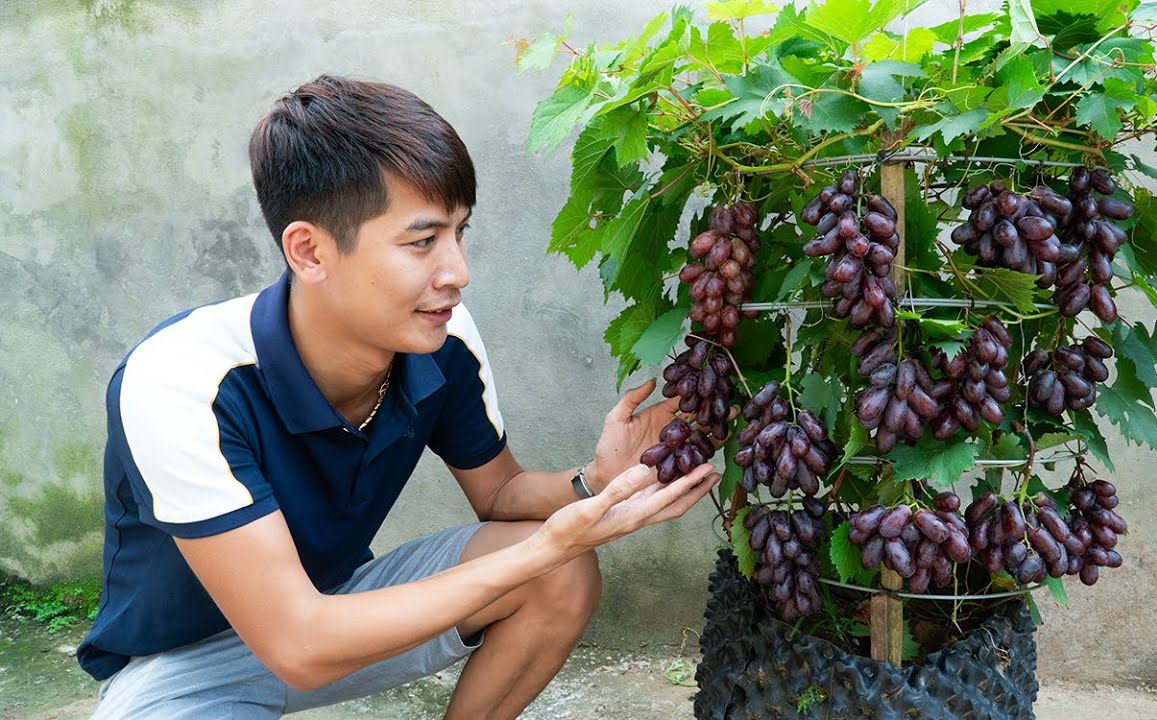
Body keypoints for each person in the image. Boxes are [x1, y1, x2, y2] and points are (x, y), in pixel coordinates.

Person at [77, 74, 720, 719]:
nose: (457, 273)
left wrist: (594, 481)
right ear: (309, 250)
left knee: (558, 574)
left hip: (346, 607)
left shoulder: (440, 337)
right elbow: (297, 644)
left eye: (459, 233)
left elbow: (498, 494)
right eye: (422, 242)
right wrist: (553, 543)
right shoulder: (182, 381)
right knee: (546, 555)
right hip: (185, 666)